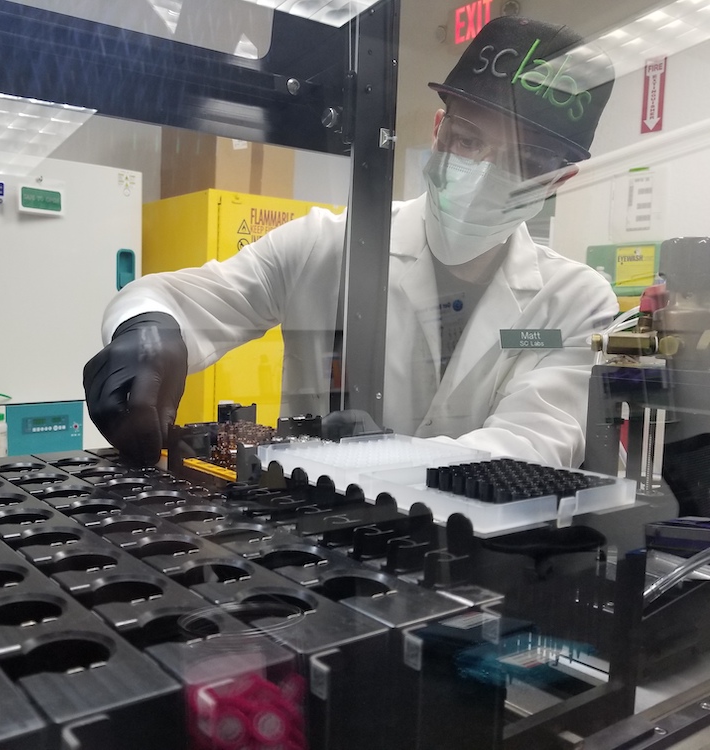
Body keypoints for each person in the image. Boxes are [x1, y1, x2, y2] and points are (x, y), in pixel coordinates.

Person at [83, 16, 618, 468]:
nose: (485, 173)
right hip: (305, 553)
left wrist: (383, 457)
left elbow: (529, 448)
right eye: (469, 140)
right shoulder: (324, 245)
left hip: (473, 569)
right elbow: (182, 299)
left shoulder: (575, 302)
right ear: (437, 130)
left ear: (558, 180)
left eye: (524, 163)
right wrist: (145, 331)